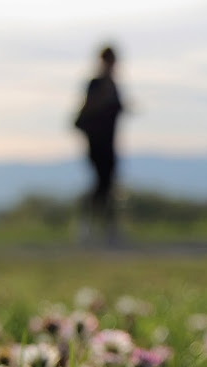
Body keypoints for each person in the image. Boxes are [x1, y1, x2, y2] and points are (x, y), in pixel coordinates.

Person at [74, 45, 123, 244]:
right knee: (101, 183)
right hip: (97, 142)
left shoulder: (113, 84)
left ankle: (106, 228)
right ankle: (88, 226)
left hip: (110, 141)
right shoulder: (98, 84)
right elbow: (89, 108)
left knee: (107, 183)